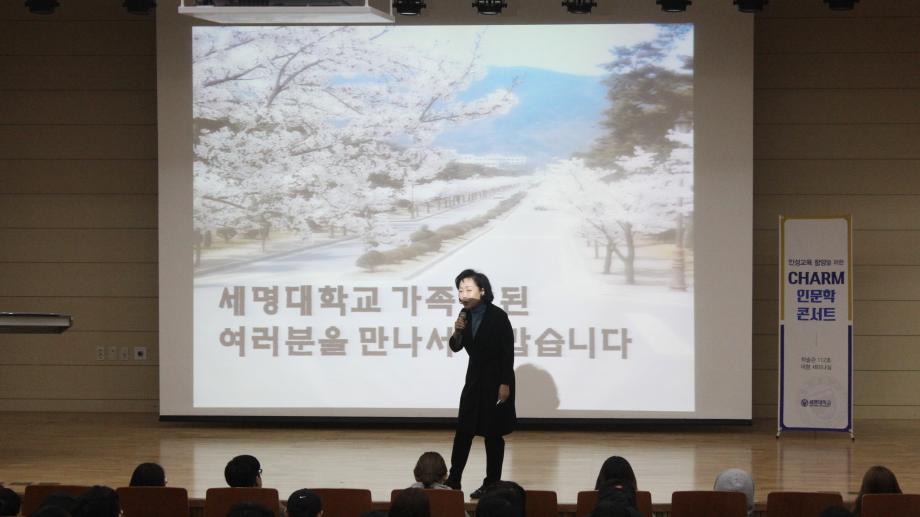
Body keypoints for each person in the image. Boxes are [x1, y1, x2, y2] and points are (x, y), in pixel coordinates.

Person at [445, 269, 516, 499]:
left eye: (468, 289)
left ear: (482, 291)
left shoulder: (498, 316)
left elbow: (507, 353)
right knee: (463, 431)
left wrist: (505, 384)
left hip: (496, 380)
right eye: (460, 290)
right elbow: (456, 346)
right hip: (474, 380)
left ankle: (492, 483)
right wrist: (457, 331)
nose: (463, 294)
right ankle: (454, 480)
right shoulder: (464, 314)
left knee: (493, 434)